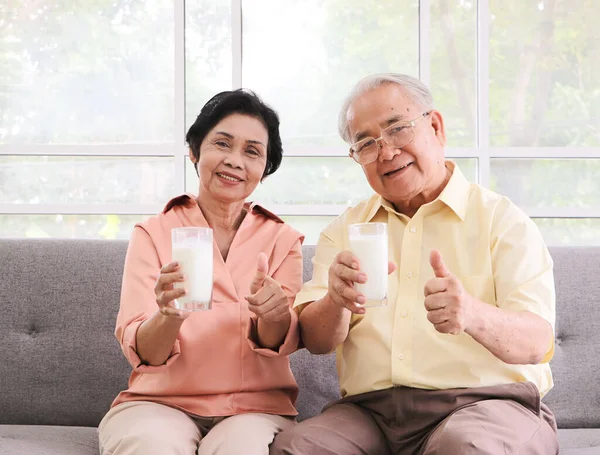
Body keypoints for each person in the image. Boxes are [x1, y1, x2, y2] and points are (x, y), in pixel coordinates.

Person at [271, 73, 558, 455]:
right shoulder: (345, 230)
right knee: (298, 448)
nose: (386, 152)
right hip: (369, 413)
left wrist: (471, 315)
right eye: (366, 144)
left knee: (468, 448)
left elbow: (537, 342)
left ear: (435, 126)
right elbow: (317, 341)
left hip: (487, 404)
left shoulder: (501, 220)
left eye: (398, 129)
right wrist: (336, 302)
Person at [98, 89, 304, 455]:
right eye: (222, 144)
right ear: (195, 151)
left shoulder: (282, 239)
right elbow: (144, 353)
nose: (235, 161)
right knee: (150, 447)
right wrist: (168, 315)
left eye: (252, 151)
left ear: (265, 170)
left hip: (254, 408)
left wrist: (273, 314)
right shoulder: (152, 233)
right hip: (159, 403)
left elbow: (277, 341)